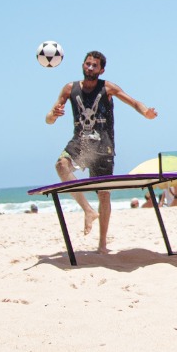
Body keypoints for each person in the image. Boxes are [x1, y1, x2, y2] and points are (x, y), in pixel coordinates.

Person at [45, 50, 157, 252]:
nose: (90, 67)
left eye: (94, 65)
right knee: (61, 165)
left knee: (104, 195)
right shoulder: (69, 89)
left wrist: (146, 112)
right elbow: (49, 119)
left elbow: (133, 102)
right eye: (87, 64)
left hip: (103, 146)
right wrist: (53, 114)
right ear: (82, 65)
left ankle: (102, 245)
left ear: (101, 69)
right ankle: (88, 211)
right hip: (80, 142)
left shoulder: (107, 88)